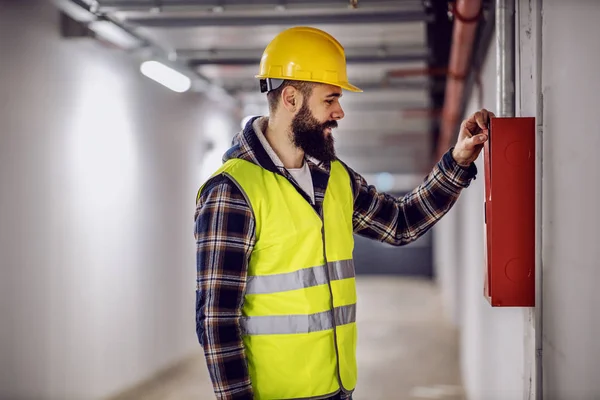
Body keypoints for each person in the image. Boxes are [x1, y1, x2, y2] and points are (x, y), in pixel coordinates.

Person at [194, 26, 493, 400]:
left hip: (338, 390)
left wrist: (457, 162)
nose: (339, 111)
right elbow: (216, 320)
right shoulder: (232, 190)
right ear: (290, 98)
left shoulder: (333, 176)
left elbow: (400, 223)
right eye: (330, 99)